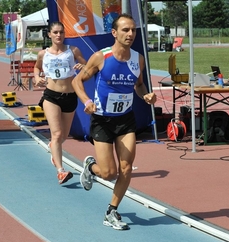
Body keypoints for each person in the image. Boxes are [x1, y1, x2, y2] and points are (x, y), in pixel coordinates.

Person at [72, 14, 157, 230]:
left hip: (126, 120)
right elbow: (77, 81)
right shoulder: (101, 57)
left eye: (133, 30)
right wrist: (87, 100)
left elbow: (138, 85)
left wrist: (145, 95)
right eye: (126, 30)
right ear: (114, 33)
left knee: (126, 167)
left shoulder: (138, 59)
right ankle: (91, 167)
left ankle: (112, 210)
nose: (130, 34)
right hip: (102, 120)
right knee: (109, 173)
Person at [33, 21, 86, 184]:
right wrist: (37, 78)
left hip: (69, 96)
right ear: (49, 34)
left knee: (63, 135)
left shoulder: (73, 51)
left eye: (61, 32)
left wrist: (82, 66)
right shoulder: (43, 54)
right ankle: (60, 171)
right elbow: (37, 68)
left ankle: (54, 149)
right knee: (56, 134)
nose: (59, 35)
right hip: (51, 96)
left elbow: (87, 66)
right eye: (55, 32)